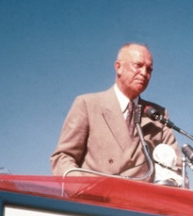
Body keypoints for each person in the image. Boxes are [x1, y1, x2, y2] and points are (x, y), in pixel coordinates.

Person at [50, 43, 184, 186]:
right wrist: (82, 187)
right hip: (94, 202)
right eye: (138, 65)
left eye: (149, 69)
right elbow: (63, 157)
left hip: (139, 204)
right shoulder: (88, 105)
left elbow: (175, 168)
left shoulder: (158, 115)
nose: (144, 73)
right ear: (118, 67)